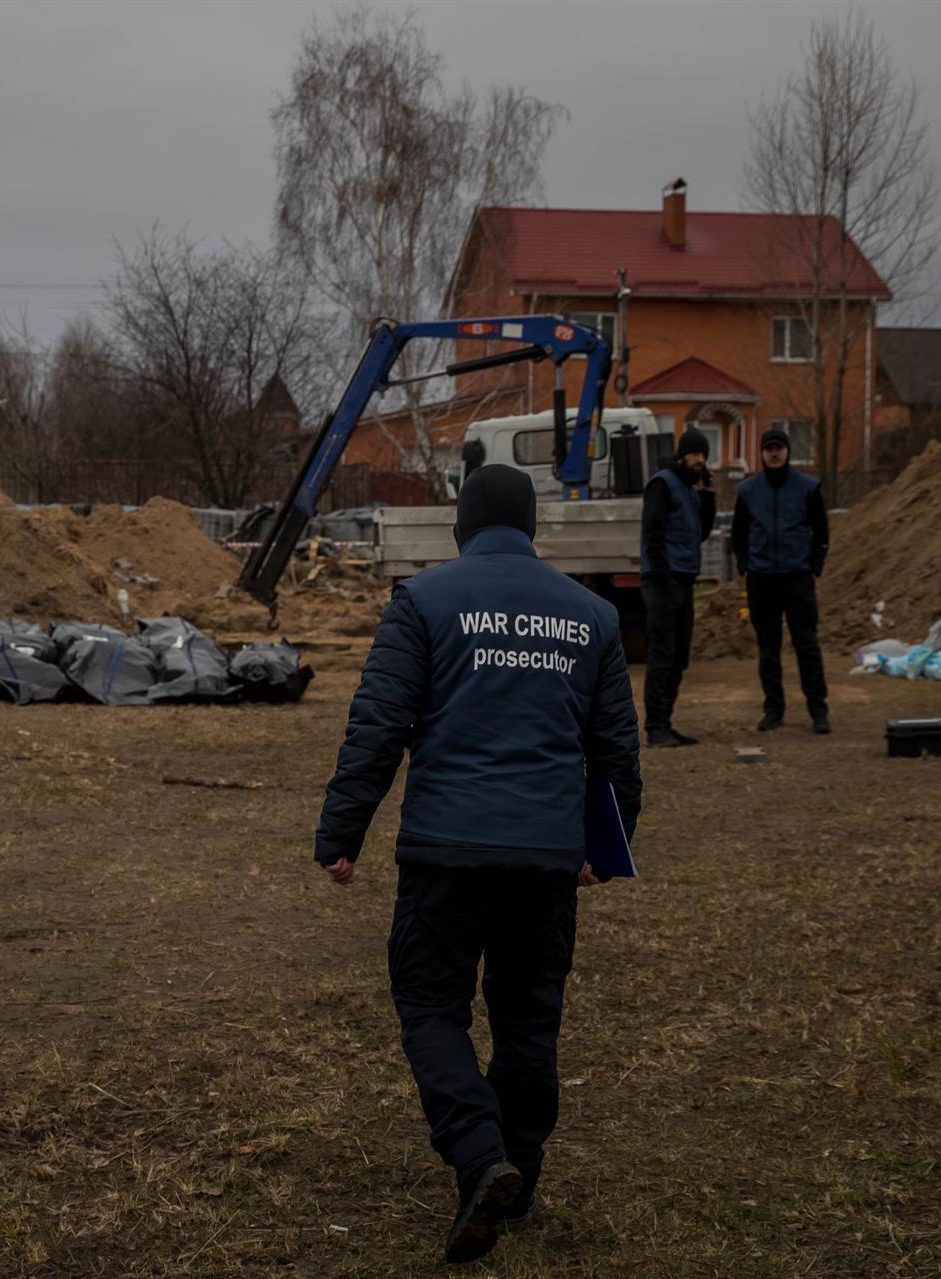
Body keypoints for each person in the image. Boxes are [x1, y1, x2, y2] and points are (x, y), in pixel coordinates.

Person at [314, 464, 643, 1264]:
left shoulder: (422, 602)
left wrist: (341, 830)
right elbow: (616, 750)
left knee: (431, 1005)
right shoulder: (592, 615)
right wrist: (606, 846)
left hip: (446, 854)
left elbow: (378, 724)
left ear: (460, 523)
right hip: (544, 857)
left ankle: (476, 1152)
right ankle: (517, 1178)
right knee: (529, 1015)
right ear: (533, 527)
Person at [732, 428, 831, 734]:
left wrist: (814, 565)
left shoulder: (808, 488)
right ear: (761, 453)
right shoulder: (748, 491)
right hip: (762, 580)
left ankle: (818, 710)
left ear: (787, 451)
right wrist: (745, 565)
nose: (774, 453)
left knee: (807, 645)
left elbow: (821, 531)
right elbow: (738, 534)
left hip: (797, 578)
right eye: (769, 448)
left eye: (779, 448)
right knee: (768, 648)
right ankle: (773, 709)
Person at [638, 427, 716, 748]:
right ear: (682, 455)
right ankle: (655, 726)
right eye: (695, 454)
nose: (700, 460)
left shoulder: (690, 490)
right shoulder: (663, 483)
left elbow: (701, 533)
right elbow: (652, 532)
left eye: (703, 455)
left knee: (679, 655)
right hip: (663, 579)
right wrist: (659, 577)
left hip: (683, 578)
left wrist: (709, 496)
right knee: (663, 653)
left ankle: (666, 722)